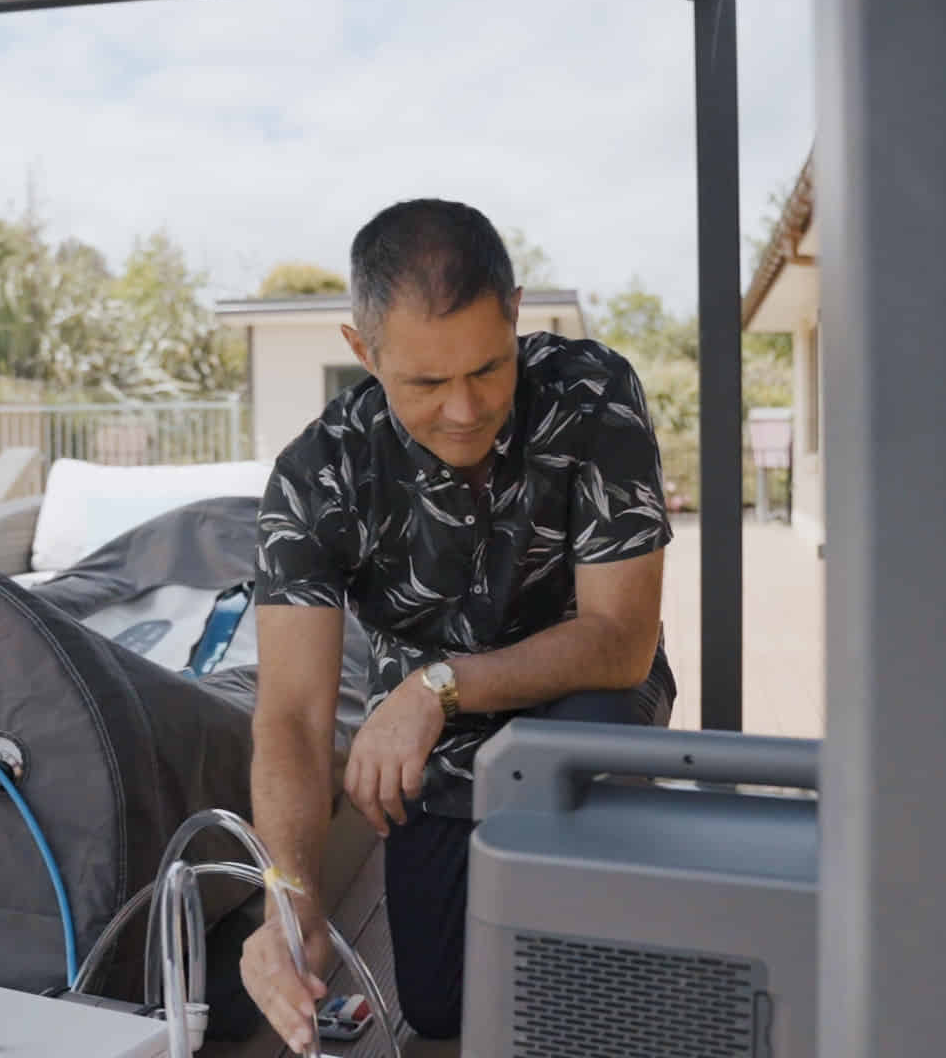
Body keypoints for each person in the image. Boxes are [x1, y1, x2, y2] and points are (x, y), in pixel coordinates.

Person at [239, 197, 676, 1052]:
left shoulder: (594, 395)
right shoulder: (313, 477)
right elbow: (290, 714)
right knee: (443, 1009)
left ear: (515, 311)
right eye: (427, 383)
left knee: (574, 971)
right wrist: (290, 905)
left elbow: (622, 640)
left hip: (586, 704)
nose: (467, 409)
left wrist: (438, 686)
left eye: (488, 366)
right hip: (432, 756)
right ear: (362, 351)